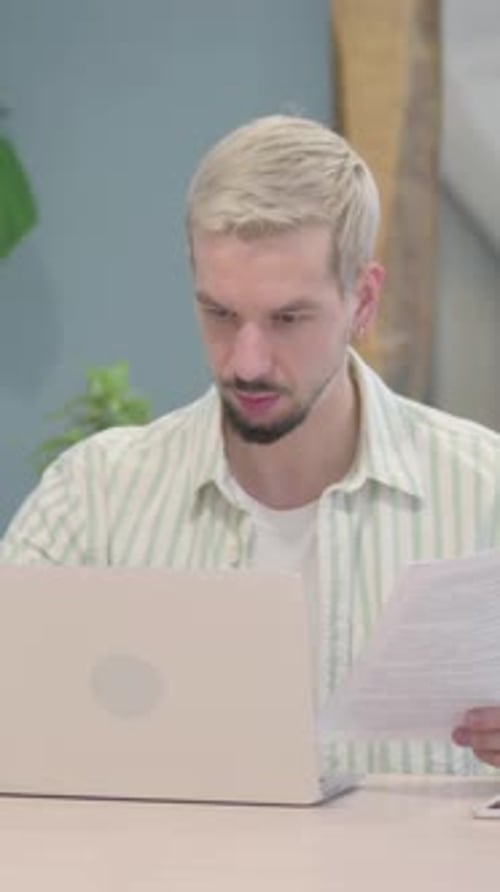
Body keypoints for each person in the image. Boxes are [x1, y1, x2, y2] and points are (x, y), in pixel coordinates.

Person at [1, 115, 499, 778]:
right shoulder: (94, 499)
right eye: (220, 314)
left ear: (364, 300)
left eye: (289, 318)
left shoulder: (486, 494)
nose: (247, 362)